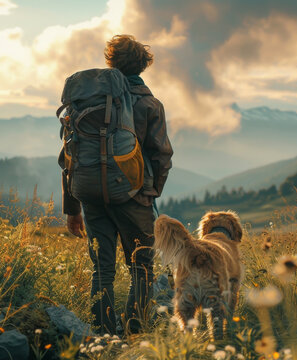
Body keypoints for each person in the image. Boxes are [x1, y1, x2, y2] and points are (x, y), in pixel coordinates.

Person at [58, 35, 173, 335]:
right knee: (141, 267)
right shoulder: (149, 103)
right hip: (134, 196)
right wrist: (149, 191)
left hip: (91, 193)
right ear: (142, 66)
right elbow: (162, 155)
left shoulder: (86, 102)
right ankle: (135, 333)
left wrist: (73, 209)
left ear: (111, 63)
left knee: (103, 267)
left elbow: (69, 156)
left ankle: (104, 335)